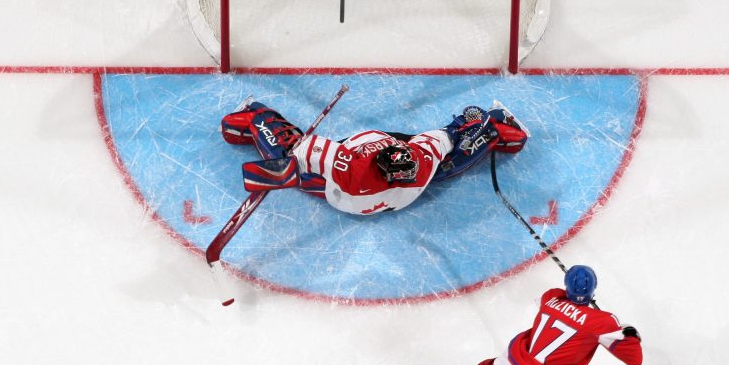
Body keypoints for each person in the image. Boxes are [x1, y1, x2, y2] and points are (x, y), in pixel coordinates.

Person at [391, 265, 643, 365]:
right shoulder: (604, 322)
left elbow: (551, 299)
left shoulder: (551, 298)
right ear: (593, 290)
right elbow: (634, 359)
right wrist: (628, 332)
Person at [219, 95, 529, 215]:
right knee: (445, 166)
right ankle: (495, 129)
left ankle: (253, 116)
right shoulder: (421, 161)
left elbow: (302, 153)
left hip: (339, 195)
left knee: (293, 155)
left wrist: (279, 168)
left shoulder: (348, 166)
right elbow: (445, 138)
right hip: (399, 198)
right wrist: (467, 126)